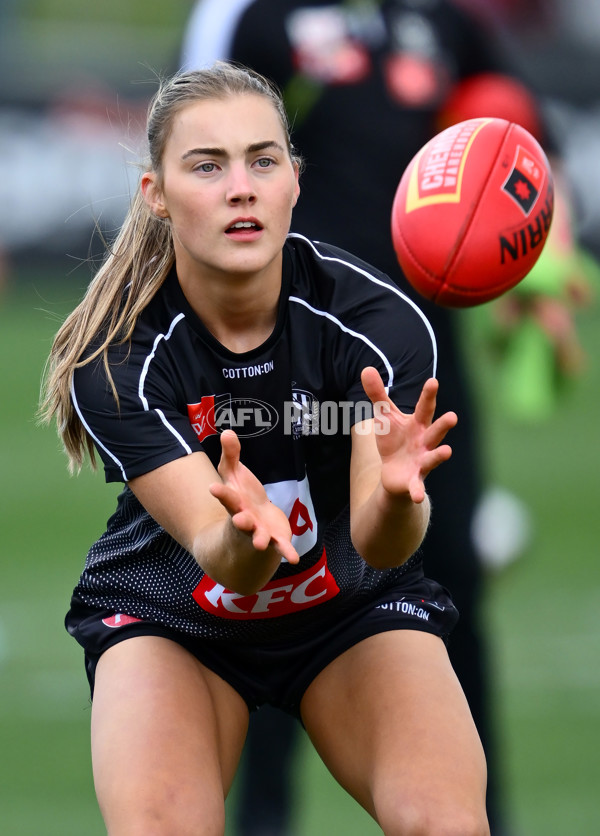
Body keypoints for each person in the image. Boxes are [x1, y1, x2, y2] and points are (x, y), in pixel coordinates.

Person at [40, 63, 489, 835]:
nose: (240, 187)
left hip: (350, 604)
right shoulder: (119, 359)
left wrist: (394, 494)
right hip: (175, 614)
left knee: (444, 822)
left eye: (262, 160)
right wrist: (246, 533)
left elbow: (383, 547)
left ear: (294, 183)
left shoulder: (377, 324)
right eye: (207, 166)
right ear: (156, 195)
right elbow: (222, 557)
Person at [180, 2, 522, 833]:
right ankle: (261, 821)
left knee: (450, 590)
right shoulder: (251, 16)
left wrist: (539, 280)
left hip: (421, 363)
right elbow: (197, 151)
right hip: (291, 354)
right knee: (269, 580)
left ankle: (478, 817)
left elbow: (507, 144)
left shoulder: (441, 18)